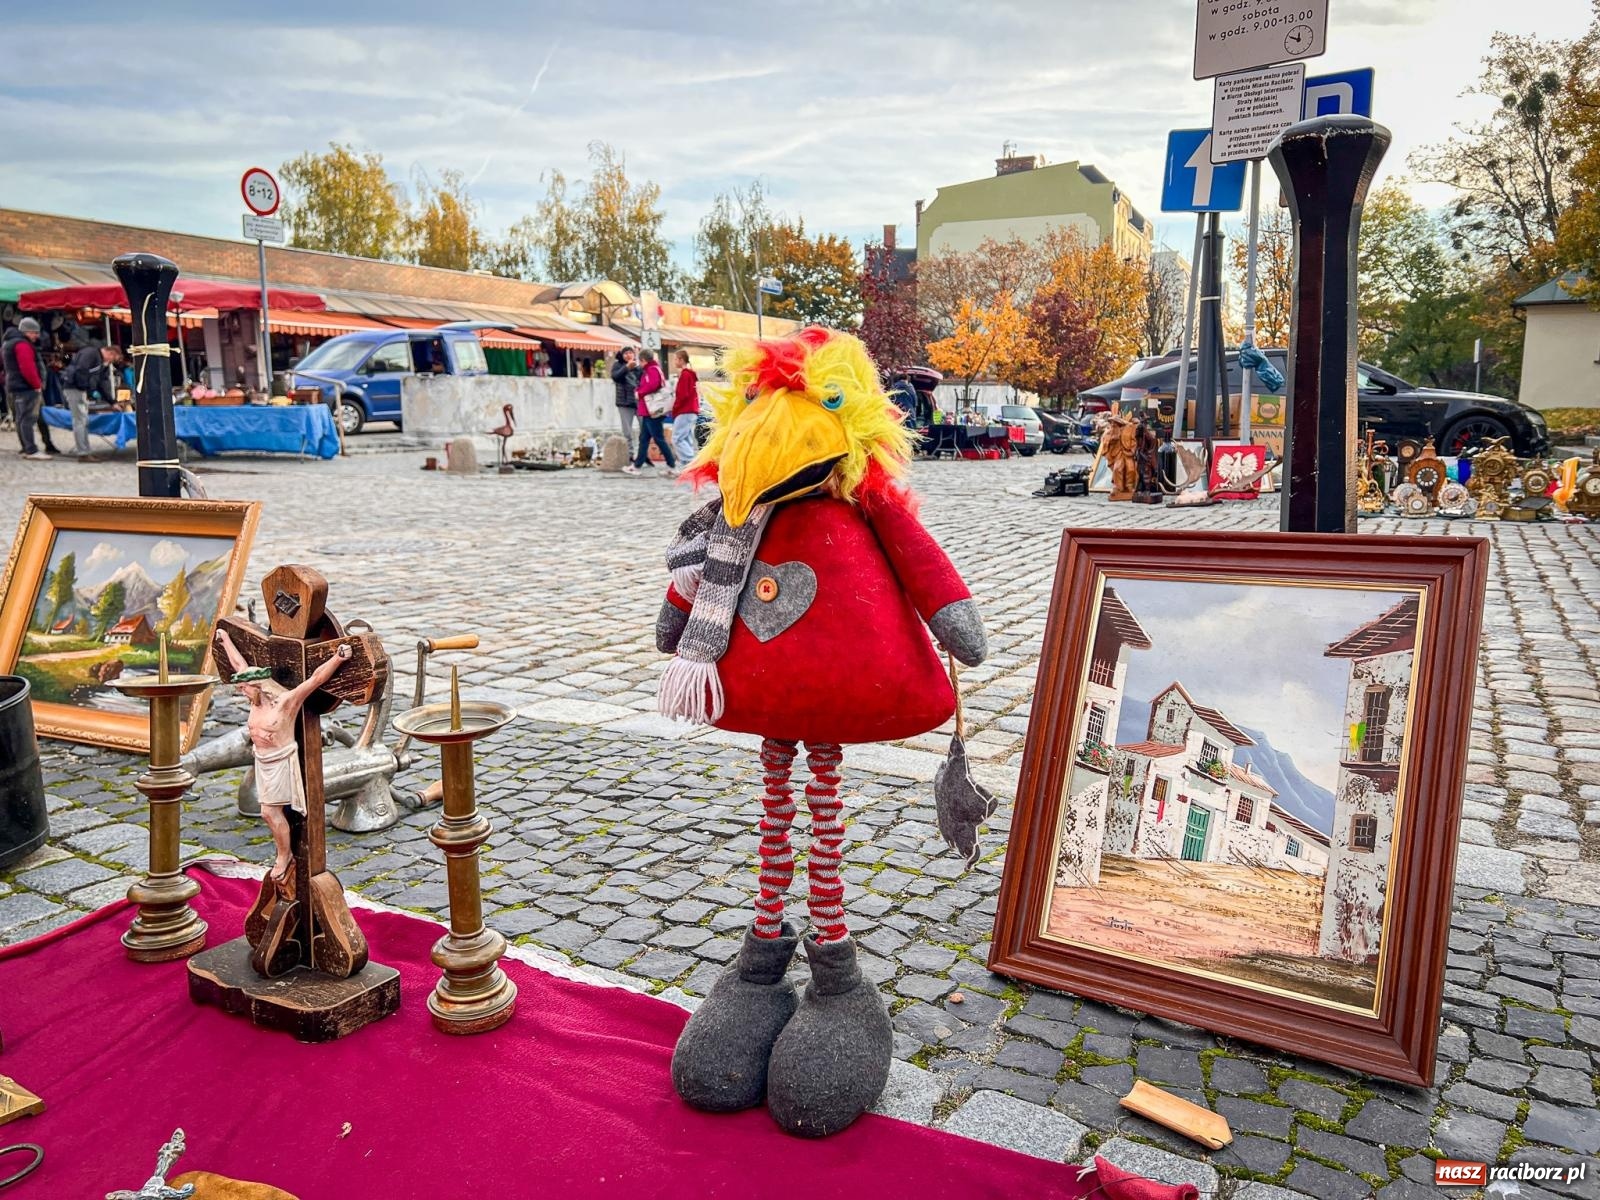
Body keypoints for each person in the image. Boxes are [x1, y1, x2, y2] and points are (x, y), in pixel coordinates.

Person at [215, 628, 352, 887]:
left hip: (280, 762)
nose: (241, 690)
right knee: (270, 813)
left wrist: (338, 658)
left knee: (269, 812)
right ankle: (284, 851)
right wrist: (225, 641)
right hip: (262, 761)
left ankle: (283, 855)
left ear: (258, 686)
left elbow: (315, 680)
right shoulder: (254, 703)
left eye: (244, 686)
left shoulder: (285, 702)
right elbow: (239, 664)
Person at [2, 318, 50, 459]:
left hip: (13, 386)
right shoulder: (22, 344)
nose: (37, 336)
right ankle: (31, 450)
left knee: (21, 419)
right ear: (26, 331)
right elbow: (27, 368)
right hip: (25, 387)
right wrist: (36, 385)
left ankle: (26, 448)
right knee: (28, 419)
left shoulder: (7, 344)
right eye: (34, 333)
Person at [624, 348, 676, 476]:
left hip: (652, 410)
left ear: (643, 360)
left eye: (640, 361)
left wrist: (639, 393)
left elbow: (653, 385)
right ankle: (637, 466)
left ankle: (672, 464)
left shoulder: (651, 370)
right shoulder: (653, 369)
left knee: (658, 438)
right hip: (649, 410)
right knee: (644, 438)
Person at [63, 343, 118, 460]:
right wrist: (85, 388)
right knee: (80, 420)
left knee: (83, 420)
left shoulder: (99, 361)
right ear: (110, 353)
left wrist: (112, 402)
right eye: (113, 359)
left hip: (79, 389)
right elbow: (81, 370)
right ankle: (83, 453)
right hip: (75, 389)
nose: (111, 362)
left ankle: (86, 451)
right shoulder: (91, 353)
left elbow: (100, 383)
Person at [670, 349, 700, 466]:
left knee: (677, 438)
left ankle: (690, 462)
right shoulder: (689, 374)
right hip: (690, 409)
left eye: (675, 359)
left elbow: (682, 395)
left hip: (685, 410)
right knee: (685, 437)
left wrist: (675, 407)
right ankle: (686, 464)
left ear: (681, 360)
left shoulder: (685, 375)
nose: (674, 361)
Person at [610, 347, 641, 454]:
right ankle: (630, 453)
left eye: (630, 353)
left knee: (645, 429)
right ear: (622, 355)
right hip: (624, 402)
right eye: (626, 353)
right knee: (627, 431)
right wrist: (626, 367)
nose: (628, 355)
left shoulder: (639, 366)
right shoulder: (617, 365)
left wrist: (636, 367)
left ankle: (643, 453)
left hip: (639, 401)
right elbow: (615, 377)